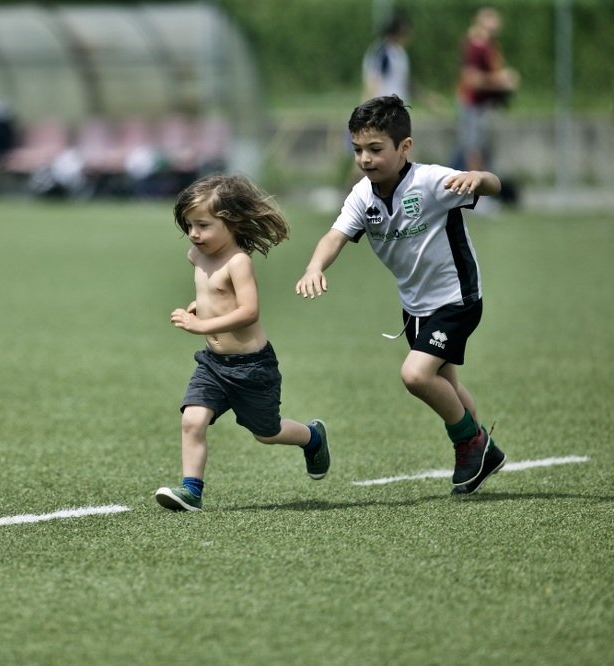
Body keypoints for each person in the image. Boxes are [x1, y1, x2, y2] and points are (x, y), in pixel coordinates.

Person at [295, 95, 506, 496]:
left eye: (375, 149)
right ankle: (486, 453)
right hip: (415, 308)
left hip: (457, 298)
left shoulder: (429, 182)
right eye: (357, 149)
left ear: (404, 147)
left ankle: (470, 444)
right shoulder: (363, 196)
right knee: (449, 387)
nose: (365, 159)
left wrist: (478, 178)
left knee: (415, 374)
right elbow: (334, 236)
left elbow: (493, 186)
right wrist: (314, 267)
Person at [155, 174, 330, 512]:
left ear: (231, 222)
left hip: (252, 367)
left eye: (203, 225)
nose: (193, 233)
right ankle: (191, 491)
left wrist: (201, 323)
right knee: (192, 419)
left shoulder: (239, 262)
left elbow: (249, 312)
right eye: (189, 224)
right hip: (213, 363)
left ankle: (313, 437)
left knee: (267, 433)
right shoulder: (197, 255)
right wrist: (199, 304)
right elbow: (211, 291)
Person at [456, 6, 520, 173]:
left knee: (483, 147)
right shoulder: (475, 45)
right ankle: (475, 191)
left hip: (485, 105)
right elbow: (471, 78)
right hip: (474, 103)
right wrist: (501, 80)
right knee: (473, 148)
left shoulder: (490, 45)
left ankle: (483, 188)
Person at [362, 11, 413, 102]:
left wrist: (426, 98)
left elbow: (402, 82)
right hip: (383, 108)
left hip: (396, 108)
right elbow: (372, 80)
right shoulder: (382, 51)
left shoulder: (398, 52)